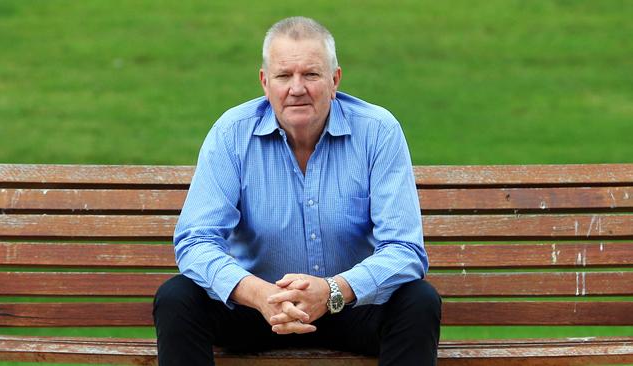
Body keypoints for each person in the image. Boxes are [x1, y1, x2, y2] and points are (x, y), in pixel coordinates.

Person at [153, 16, 441, 366]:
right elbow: (195, 241)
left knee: (419, 301)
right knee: (176, 297)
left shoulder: (379, 131)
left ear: (335, 80)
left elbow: (405, 249)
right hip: (258, 310)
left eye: (311, 74)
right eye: (284, 75)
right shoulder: (231, 133)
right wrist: (259, 294)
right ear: (264, 82)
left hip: (349, 305)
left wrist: (332, 291)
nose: (297, 87)